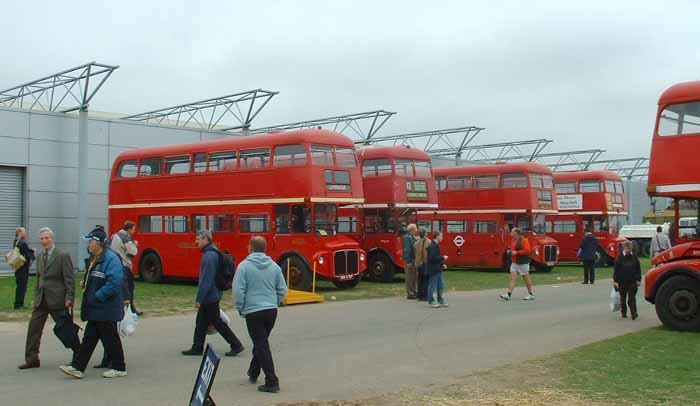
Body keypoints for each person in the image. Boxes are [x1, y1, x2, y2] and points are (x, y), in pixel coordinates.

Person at [59, 227, 128, 379]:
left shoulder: (111, 258)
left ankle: (119, 367)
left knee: (110, 339)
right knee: (89, 338)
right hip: (97, 308)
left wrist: (98, 296)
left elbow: (115, 282)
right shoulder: (95, 258)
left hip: (106, 308)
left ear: (98, 244)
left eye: (90, 241)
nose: (88, 244)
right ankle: (77, 367)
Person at [233, 236, 288, 393]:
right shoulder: (274, 266)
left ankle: (272, 381)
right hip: (271, 311)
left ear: (250, 248)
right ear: (265, 248)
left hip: (253, 310)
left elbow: (238, 290)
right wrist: (275, 302)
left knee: (261, 344)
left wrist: (240, 307)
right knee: (261, 341)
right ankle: (254, 370)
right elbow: (282, 289)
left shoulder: (244, 266)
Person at [18, 227, 78, 369]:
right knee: (33, 329)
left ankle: (79, 355)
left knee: (65, 329)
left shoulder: (62, 255)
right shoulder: (40, 256)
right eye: (42, 238)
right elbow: (39, 278)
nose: (44, 241)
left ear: (52, 238)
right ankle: (32, 359)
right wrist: (36, 295)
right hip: (41, 300)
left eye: (47, 238)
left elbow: (69, 279)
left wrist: (69, 297)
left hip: (58, 299)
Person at [182, 230, 244, 357]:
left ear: (205, 239)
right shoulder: (212, 253)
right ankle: (197, 347)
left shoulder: (209, 256)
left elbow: (206, 280)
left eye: (198, 238)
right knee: (201, 321)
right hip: (212, 294)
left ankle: (236, 344)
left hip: (210, 296)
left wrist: (199, 299)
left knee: (217, 322)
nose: (196, 241)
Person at [500, 228, 535, 301]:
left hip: (523, 263)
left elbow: (527, 250)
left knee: (526, 279)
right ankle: (508, 294)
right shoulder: (513, 240)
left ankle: (530, 294)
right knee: (512, 279)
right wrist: (510, 252)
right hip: (514, 263)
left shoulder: (524, 240)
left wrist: (516, 253)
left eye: (512, 231)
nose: (510, 232)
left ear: (516, 233)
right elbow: (513, 250)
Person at [613, 241, 642, 320]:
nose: (629, 250)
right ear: (624, 248)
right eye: (627, 248)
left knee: (631, 298)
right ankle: (624, 312)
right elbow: (616, 270)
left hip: (632, 280)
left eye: (630, 248)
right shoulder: (619, 257)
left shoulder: (634, 257)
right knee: (623, 298)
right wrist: (615, 281)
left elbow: (638, 269)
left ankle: (634, 313)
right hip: (622, 281)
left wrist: (638, 279)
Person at [12, 227, 35, 309]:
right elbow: (28, 254)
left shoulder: (16, 242)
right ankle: (19, 305)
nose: (25, 233)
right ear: (20, 233)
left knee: (19, 286)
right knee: (22, 286)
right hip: (22, 268)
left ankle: (17, 303)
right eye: (24, 232)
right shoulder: (22, 242)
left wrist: (29, 250)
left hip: (17, 267)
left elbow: (22, 252)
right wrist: (32, 252)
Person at [426, 231, 448, 308]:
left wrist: (442, 264)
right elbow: (432, 258)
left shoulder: (435, 245)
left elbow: (436, 257)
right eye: (441, 236)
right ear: (437, 236)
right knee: (432, 286)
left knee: (441, 285)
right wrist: (443, 258)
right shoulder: (432, 246)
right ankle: (431, 301)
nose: (442, 238)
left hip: (438, 269)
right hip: (433, 269)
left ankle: (440, 300)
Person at [402, 223, 418, 300]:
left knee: (414, 276)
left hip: (413, 259)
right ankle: (410, 293)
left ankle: (414, 291)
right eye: (415, 228)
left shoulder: (412, 237)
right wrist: (408, 261)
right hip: (409, 259)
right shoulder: (407, 237)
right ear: (412, 229)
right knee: (409, 277)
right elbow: (407, 250)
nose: (417, 230)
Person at [414, 229, 431, 301]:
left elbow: (415, 253)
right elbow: (428, 253)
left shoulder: (416, 243)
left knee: (420, 279)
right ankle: (425, 296)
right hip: (425, 263)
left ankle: (420, 296)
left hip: (418, 263)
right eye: (426, 233)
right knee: (426, 280)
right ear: (425, 234)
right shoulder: (428, 242)